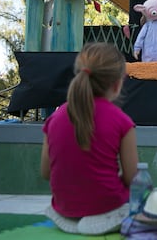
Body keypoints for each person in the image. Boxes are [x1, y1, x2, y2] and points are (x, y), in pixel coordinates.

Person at [40, 42, 139, 235]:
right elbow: (132, 178)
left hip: (62, 213)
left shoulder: (54, 118)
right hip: (108, 212)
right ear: (117, 84)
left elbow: (46, 172)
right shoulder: (122, 121)